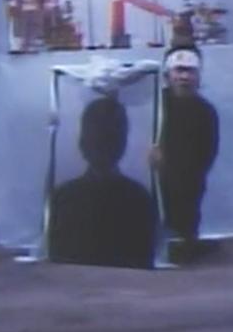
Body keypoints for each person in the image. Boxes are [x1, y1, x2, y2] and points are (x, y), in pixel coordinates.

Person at [49, 96, 157, 269]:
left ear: (82, 143)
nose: (101, 145)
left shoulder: (63, 197)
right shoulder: (139, 199)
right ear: (123, 144)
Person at [150, 45, 219, 262]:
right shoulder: (155, 104)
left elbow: (208, 150)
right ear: (167, 75)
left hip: (188, 176)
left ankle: (185, 242)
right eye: (179, 70)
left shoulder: (206, 111)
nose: (184, 77)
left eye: (190, 71)